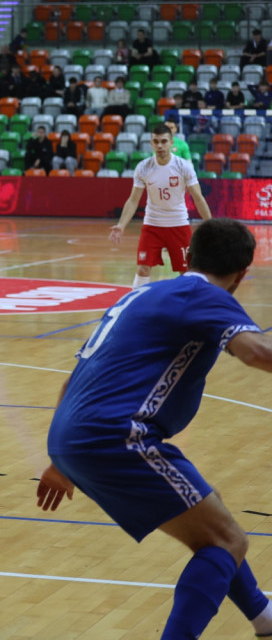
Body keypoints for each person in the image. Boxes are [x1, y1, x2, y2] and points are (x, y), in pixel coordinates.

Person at [37, 217, 272, 640]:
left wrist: (59, 460)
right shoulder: (205, 295)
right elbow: (255, 353)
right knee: (225, 542)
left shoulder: (143, 293)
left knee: (210, 508)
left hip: (71, 433)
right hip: (117, 436)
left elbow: (75, 378)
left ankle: (261, 615)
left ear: (188, 256)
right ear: (241, 274)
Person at [109, 123, 212, 288]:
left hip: (178, 224)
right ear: (151, 143)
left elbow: (198, 197)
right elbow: (133, 199)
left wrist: (211, 224)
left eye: (164, 141)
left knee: (187, 272)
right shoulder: (143, 167)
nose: (160, 145)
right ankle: (136, 306)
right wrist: (121, 225)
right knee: (142, 269)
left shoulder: (184, 167)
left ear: (172, 142)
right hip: (152, 225)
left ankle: (190, 308)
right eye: (156, 141)